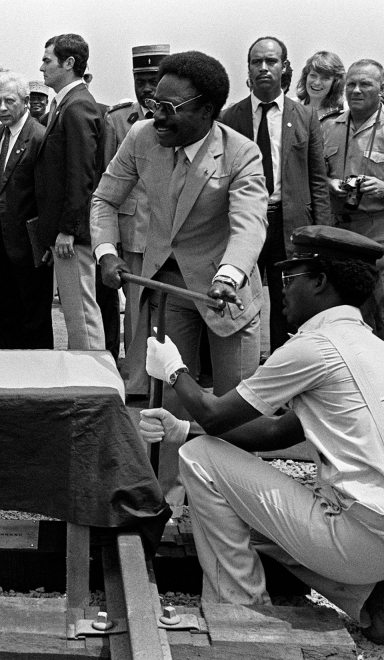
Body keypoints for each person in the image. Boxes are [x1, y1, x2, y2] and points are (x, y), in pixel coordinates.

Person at [141, 225, 384, 644]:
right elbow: (274, 432)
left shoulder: (315, 346)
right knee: (239, 515)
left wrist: (174, 369)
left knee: (200, 458)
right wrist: (182, 427)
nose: (281, 290)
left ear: (321, 282)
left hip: (360, 537)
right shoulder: (370, 345)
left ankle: (240, 610)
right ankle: (369, 599)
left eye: (290, 277)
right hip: (373, 532)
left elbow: (216, 417)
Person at [92, 50, 268, 505]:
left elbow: (251, 222)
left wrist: (229, 276)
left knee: (235, 408)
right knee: (168, 400)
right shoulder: (141, 137)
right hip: (165, 292)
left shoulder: (240, 152)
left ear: (205, 111)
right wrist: (107, 252)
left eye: (169, 109)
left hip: (222, 297)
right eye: (154, 106)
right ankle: (166, 503)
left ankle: (233, 502)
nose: (157, 116)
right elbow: (104, 200)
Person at [221, 36, 332, 354]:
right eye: (257, 62)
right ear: (249, 69)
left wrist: (320, 235)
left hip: (290, 222)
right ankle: (242, 378)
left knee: (289, 306)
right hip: (245, 222)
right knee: (240, 301)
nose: (264, 68)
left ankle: (284, 375)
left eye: (271, 61)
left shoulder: (305, 117)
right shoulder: (231, 118)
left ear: (284, 67)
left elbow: (318, 181)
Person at [32, 33, 106, 351]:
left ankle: (93, 383)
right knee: (75, 312)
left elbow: (81, 177)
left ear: (69, 63)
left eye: (47, 60)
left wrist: (68, 230)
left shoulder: (76, 108)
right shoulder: (68, 105)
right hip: (67, 233)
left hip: (73, 236)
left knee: (81, 313)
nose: (41, 67)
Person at [103, 44, 168, 396]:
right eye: (140, 79)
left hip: (170, 227)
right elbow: (107, 186)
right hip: (133, 228)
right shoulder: (118, 120)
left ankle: (170, 377)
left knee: (171, 308)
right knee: (138, 305)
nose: (146, 88)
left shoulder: (178, 117)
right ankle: (138, 380)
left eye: (153, 79)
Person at [0, 69, 53, 349]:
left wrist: (47, 240)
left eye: (9, 101)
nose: (2, 108)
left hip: (30, 244)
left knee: (33, 318)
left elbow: (48, 193)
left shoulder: (38, 136)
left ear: (25, 101)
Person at [322, 59, 384, 336]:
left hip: (378, 232)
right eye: (351, 84)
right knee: (343, 313)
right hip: (338, 232)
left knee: (378, 311)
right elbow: (313, 175)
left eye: (365, 84)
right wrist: (329, 182)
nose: (356, 90)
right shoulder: (327, 125)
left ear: (381, 89)